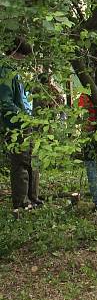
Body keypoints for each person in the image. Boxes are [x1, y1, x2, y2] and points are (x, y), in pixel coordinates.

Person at [0, 37, 41, 213]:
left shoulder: (15, 71)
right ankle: (21, 202)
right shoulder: (5, 71)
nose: (24, 59)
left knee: (32, 161)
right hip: (16, 125)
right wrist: (22, 117)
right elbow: (5, 101)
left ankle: (32, 198)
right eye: (23, 55)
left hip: (27, 122)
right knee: (20, 164)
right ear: (15, 52)